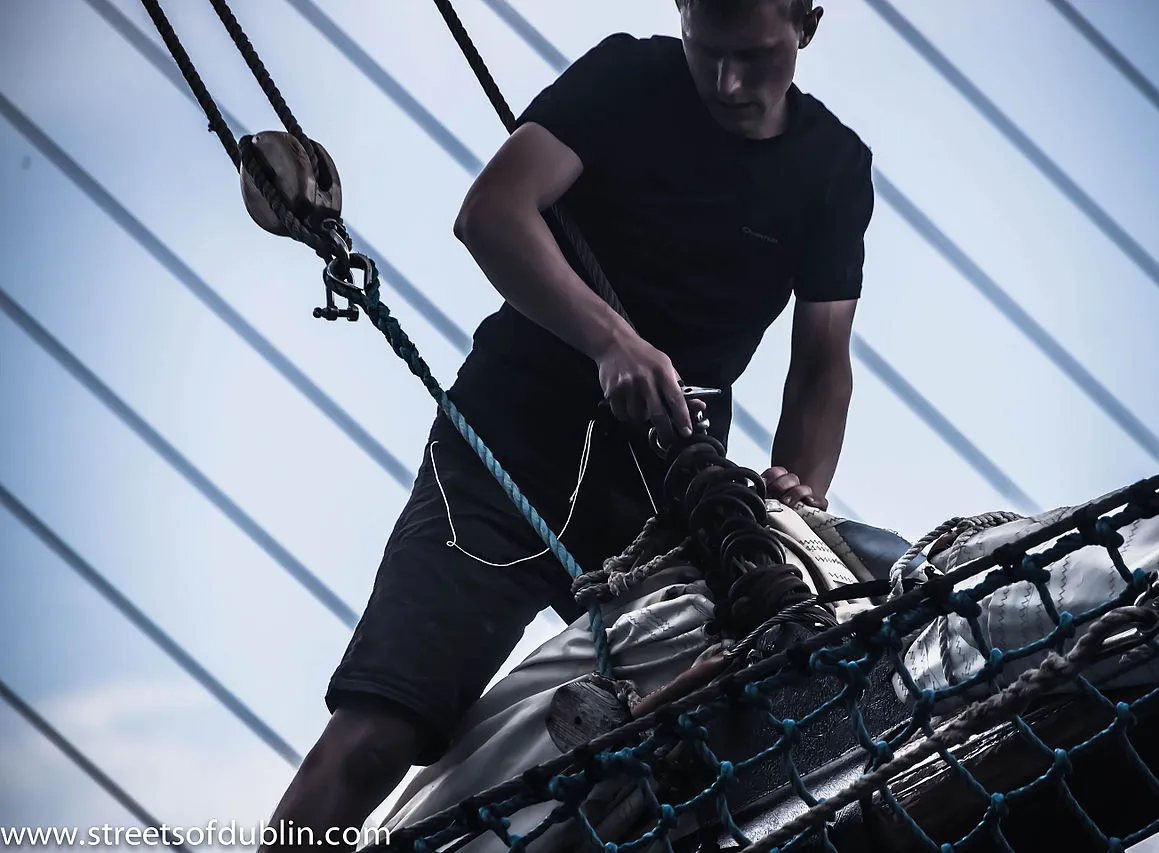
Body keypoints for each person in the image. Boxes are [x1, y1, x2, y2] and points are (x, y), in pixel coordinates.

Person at [258, 0, 874, 847]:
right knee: (378, 734)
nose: (729, 82)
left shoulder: (833, 169)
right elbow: (492, 212)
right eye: (709, 54)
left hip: (664, 493)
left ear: (806, 24)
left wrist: (796, 496)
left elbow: (821, 362)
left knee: (721, 721)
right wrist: (609, 339)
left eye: (755, 56)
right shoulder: (627, 77)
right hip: (509, 449)